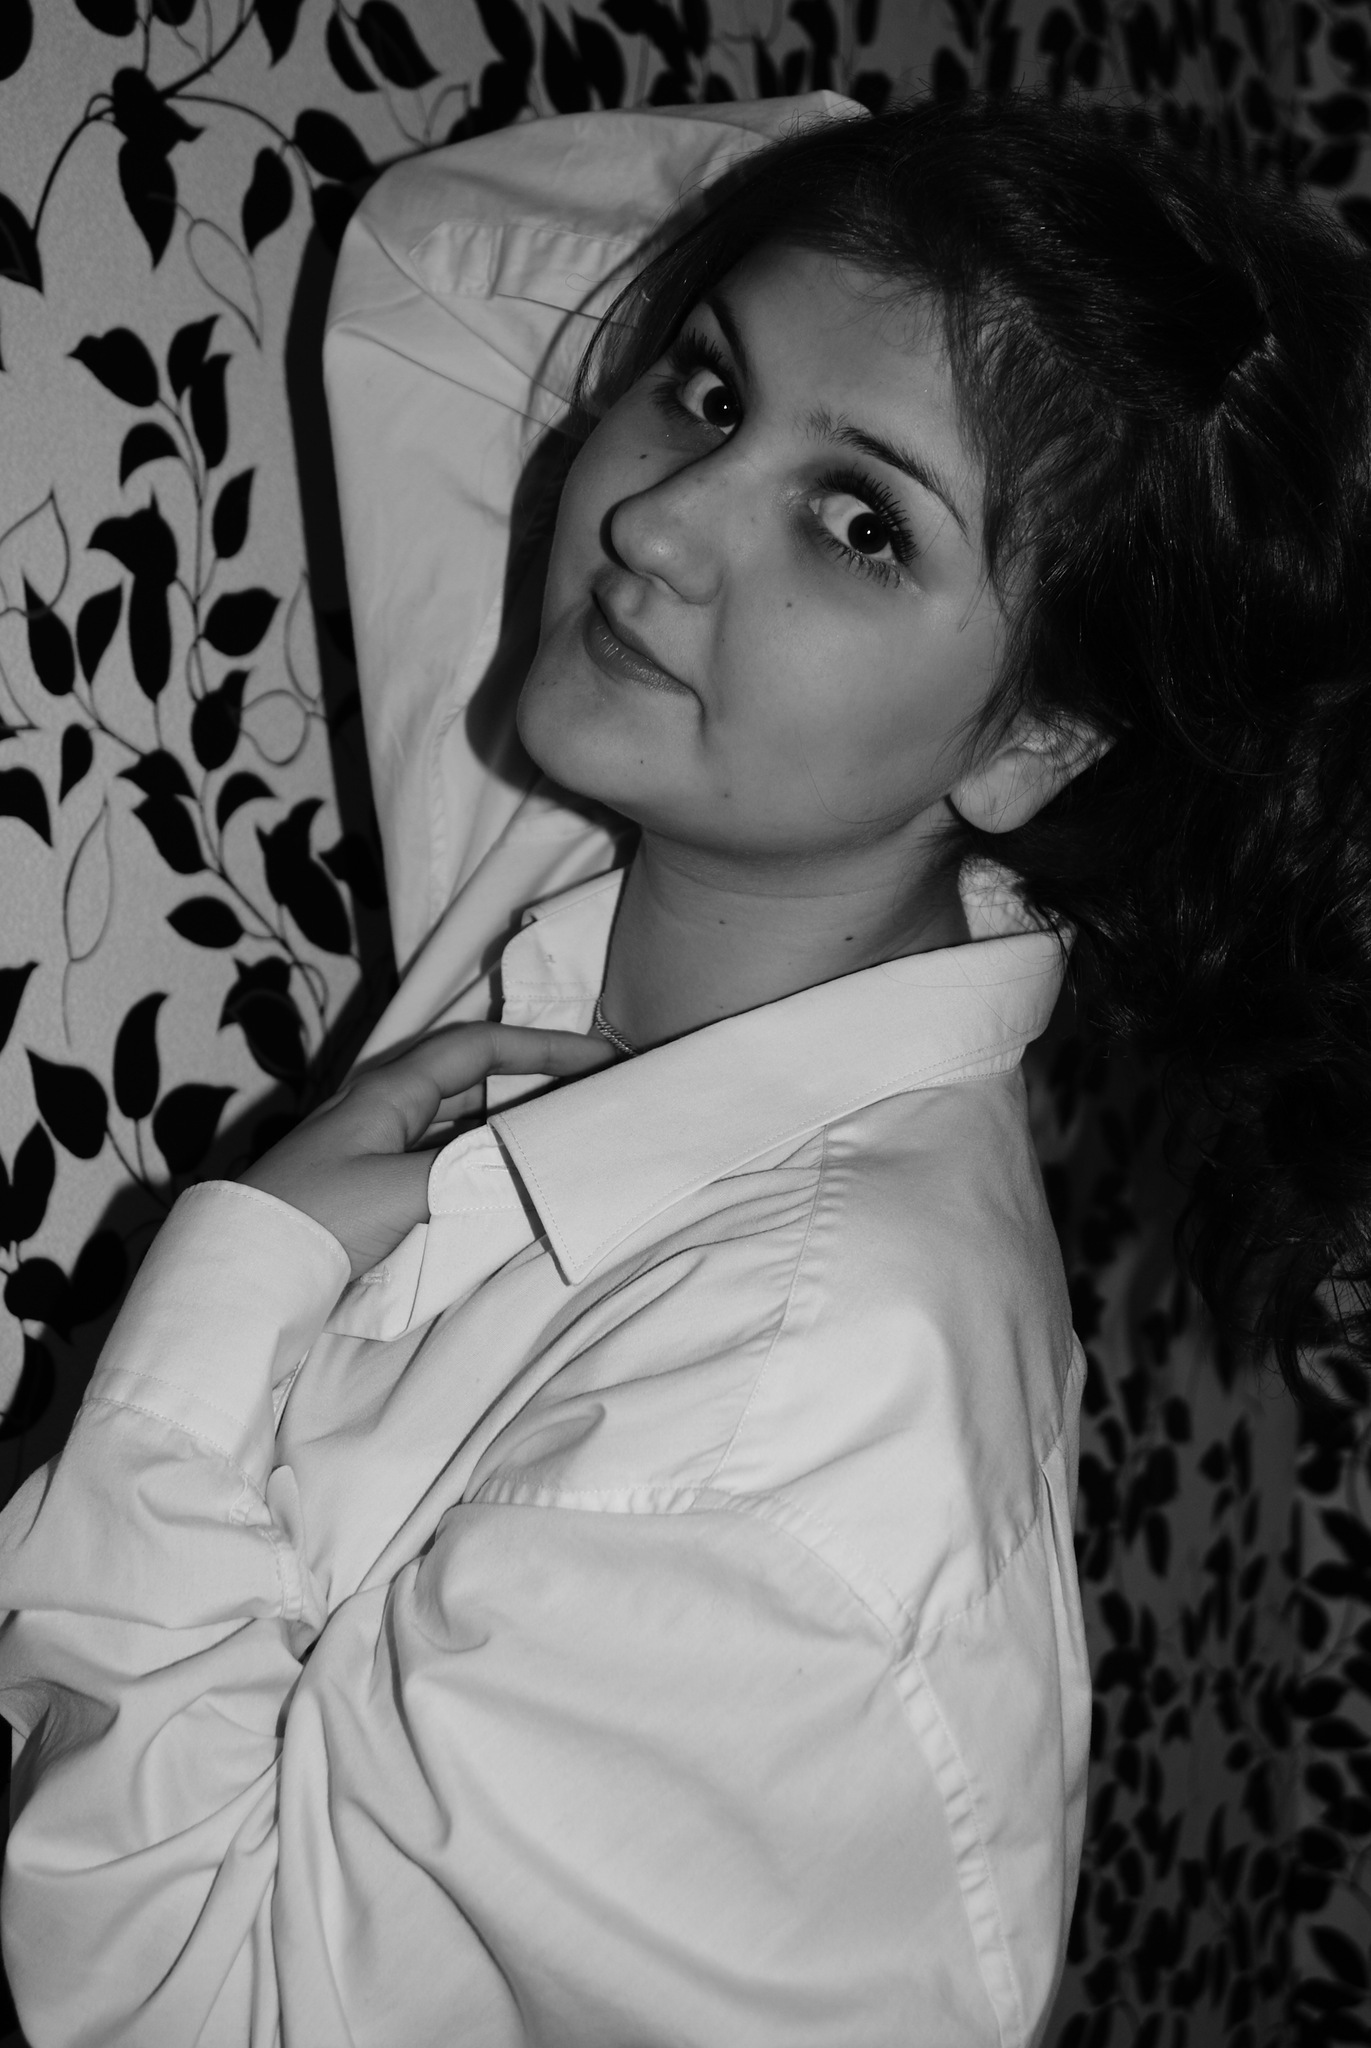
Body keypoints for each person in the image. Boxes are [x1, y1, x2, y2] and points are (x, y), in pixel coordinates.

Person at [0, 83, 1367, 2047]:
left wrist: (242, 1280)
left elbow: (188, 2013)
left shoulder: (794, 1412)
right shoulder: (585, 888)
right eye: (707, 394)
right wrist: (968, 218)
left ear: (1037, 743)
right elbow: (436, 267)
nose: (651, 518)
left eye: (858, 524)